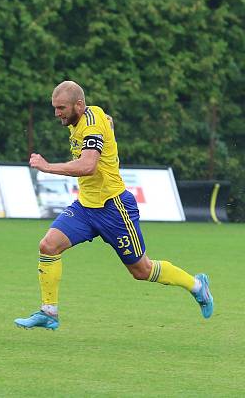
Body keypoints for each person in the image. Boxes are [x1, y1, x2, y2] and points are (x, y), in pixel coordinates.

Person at [15, 80, 212, 330]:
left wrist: (47, 167)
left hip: (114, 208)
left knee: (142, 270)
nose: (57, 113)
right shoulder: (87, 116)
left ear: (79, 104)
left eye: (61, 108)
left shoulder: (92, 124)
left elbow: (88, 166)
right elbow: (107, 120)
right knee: (48, 246)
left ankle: (197, 285)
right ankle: (49, 312)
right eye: (55, 108)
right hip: (86, 208)